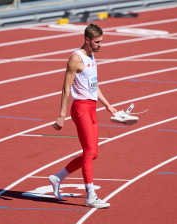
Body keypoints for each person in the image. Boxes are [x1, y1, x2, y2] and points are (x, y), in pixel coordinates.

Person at [49, 24, 117, 209]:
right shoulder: (76, 59)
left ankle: (57, 178)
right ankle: (90, 195)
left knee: (93, 153)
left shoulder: (91, 56)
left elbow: (94, 85)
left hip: (92, 108)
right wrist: (62, 115)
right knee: (88, 152)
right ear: (87, 40)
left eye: (101, 41)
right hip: (80, 109)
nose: (100, 45)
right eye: (97, 42)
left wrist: (109, 106)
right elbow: (65, 88)